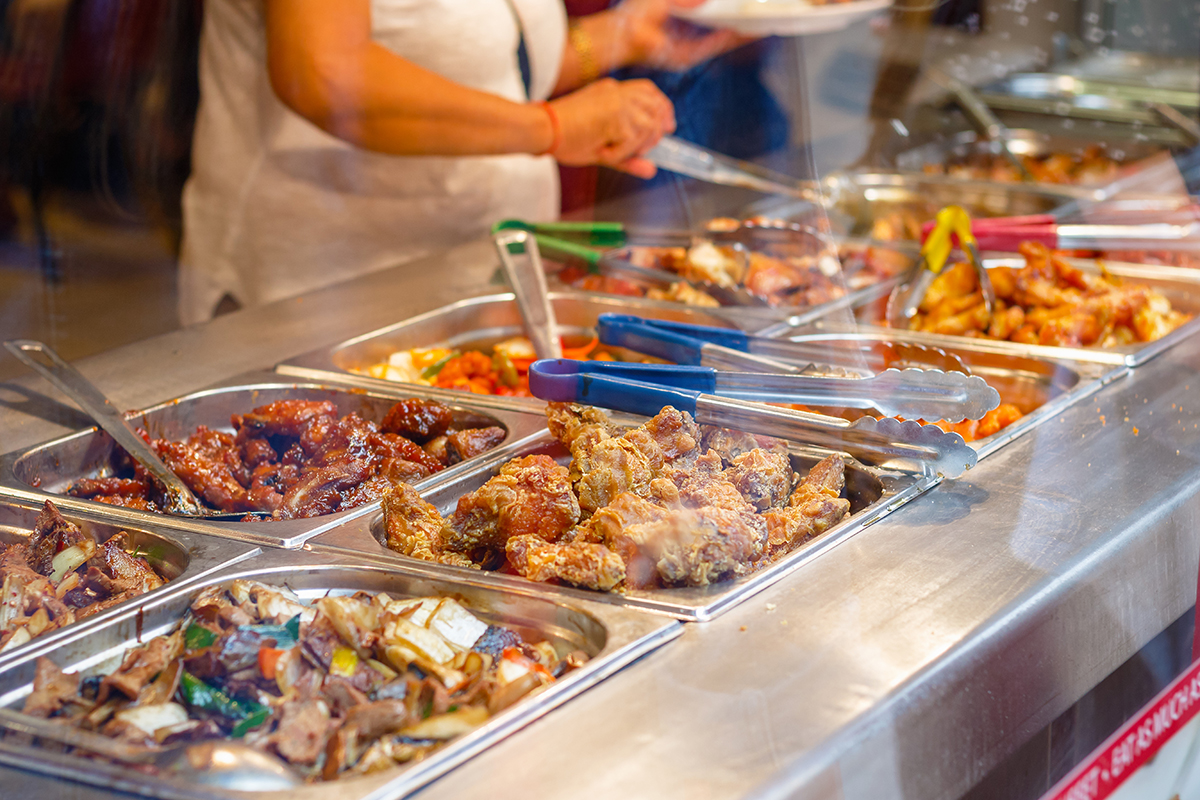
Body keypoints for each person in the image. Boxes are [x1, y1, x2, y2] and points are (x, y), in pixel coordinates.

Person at [178, 0, 741, 325]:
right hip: (318, 291)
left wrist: (620, 39)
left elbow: (490, 65)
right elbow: (323, 74)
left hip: (475, 280)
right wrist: (551, 129)